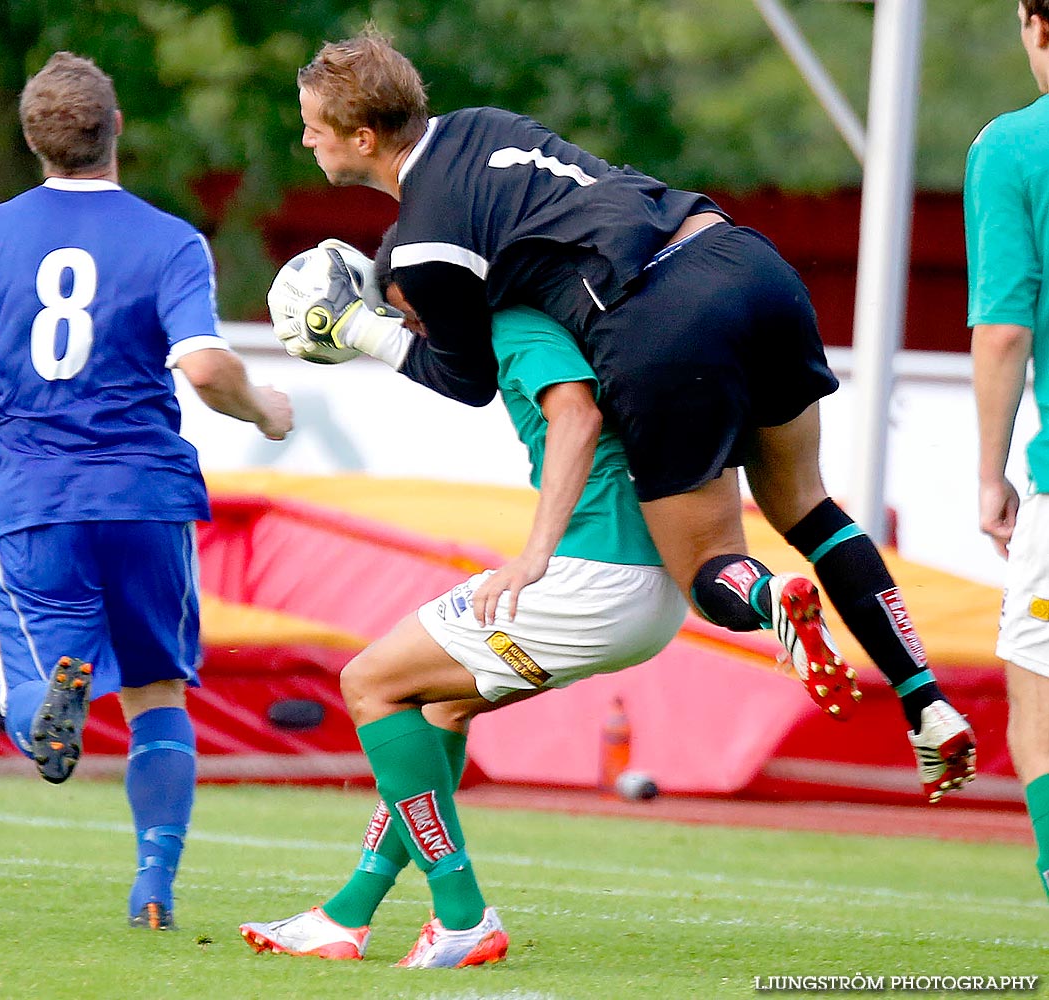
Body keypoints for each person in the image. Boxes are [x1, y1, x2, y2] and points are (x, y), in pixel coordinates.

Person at [281, 27, 976, 803]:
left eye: (314, 124)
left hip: (657, 319)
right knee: (808, 507)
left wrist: (360, 331)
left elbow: (468, 378)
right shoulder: (482, 124)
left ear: (363, 138)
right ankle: (926, 700)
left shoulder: (422, 247)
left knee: (708, 560)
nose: (306, 138)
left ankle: (767, 597)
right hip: (744, 260)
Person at [0, 51, 293, 930]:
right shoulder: (167, 239)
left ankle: (54, 689)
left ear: (33, 139)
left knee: (30, 688)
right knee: (158, 690)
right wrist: (265, 411)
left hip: (35, 495)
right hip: (146, 497)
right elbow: (202, 365)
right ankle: (153, 885)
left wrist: (15, 393)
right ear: (115, 127)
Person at [239, 236, 689, 967]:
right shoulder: (544, 316)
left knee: (370, 681)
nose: (415, 333)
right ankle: (346, 914)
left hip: (594, 578)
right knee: (439, 707)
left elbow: (578, 418)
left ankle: (462, 913)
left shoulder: (516, 323)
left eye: (411, 316)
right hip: (642, 589)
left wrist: (536, 553)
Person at [967, 0, 1049, 901]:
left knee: (1042, 721)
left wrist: (991, 475)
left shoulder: (1016, 148)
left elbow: (1002, 332)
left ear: (1035, 20)